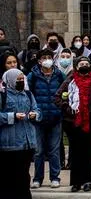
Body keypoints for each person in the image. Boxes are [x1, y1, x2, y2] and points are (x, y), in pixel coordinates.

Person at [56, 54, 91, 192]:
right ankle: (76, 182)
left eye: (86, 64)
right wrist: (67, 107)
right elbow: (58, 97)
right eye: (81, 64)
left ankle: (88, 180)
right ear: (76, 67)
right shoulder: (69, 82)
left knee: (87, 152)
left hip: (89, 122)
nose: (84, 66)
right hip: (72, 123)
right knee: (75, 152)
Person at [0, 68, 40, 199]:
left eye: (22, 79)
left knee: (23, 172)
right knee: (8, 173)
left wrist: (35, 115)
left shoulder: (28, 94)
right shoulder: (3, 96)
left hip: (27, 140)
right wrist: (13, 116)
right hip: (9, 141)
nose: (21, 82)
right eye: (18, 80)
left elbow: (37, 109)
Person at [28, 48, 65, 189]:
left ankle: (55, 177)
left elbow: (64, 92)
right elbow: (29, 94)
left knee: (54, 150)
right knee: (38, 151)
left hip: (55, 117)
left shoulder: (59, 75)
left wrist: (61, 108)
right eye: (44, 58)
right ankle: (38, 178)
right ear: (39, 61)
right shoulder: (33, 76)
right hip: (38, 119)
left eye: (49, 57)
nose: (47, 60)